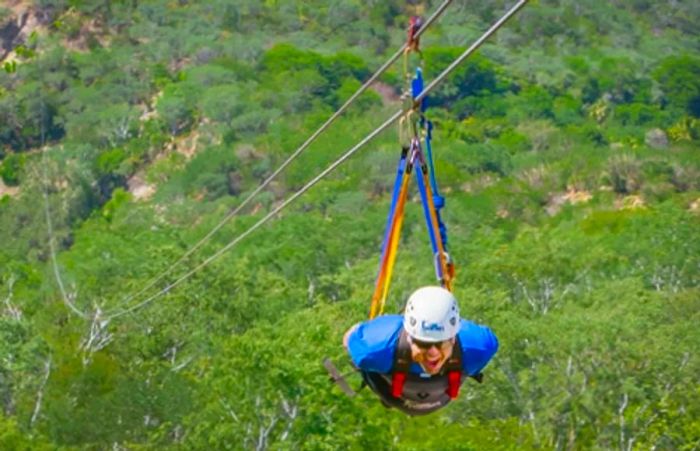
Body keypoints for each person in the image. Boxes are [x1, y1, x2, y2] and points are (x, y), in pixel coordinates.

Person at [343, 286, 498, 415]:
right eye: (424, 343)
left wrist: (364, 331)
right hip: (397, 392)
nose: (433, 353)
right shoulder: (375, 350)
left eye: (440, 343)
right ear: (409, 339)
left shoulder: (479, 348)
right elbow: (352, 342)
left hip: (402, 393)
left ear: (453, 339)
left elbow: (349, 338)